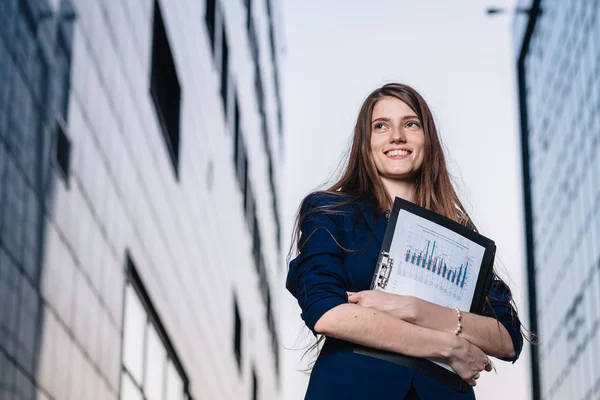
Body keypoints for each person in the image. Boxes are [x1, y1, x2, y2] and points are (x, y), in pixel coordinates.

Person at [286, 83, 524, 400]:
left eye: (410, 124)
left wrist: (411, 309)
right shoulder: (330, 211)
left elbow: (506, 338)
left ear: (427, 140)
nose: (396, 136)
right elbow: (327, 312)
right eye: (381, 126)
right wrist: (448, 345)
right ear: (365, 142)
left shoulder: (457, 235)